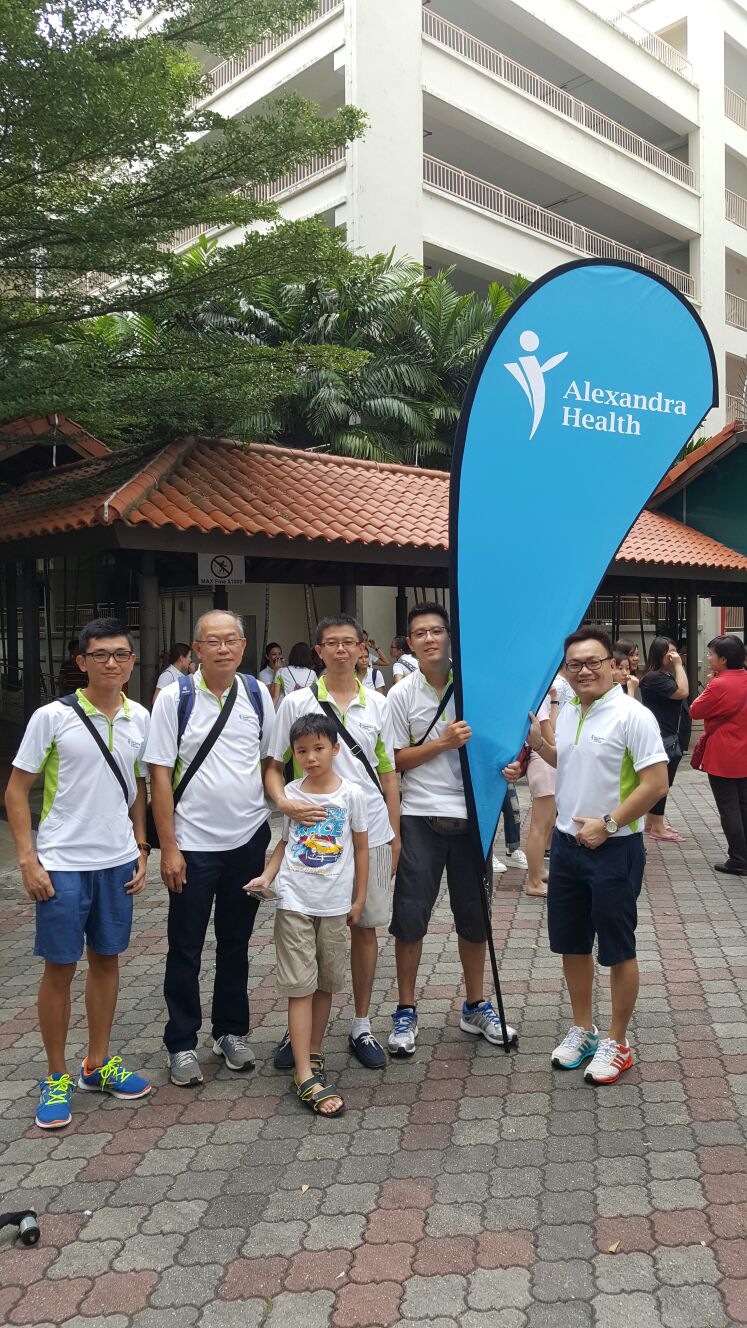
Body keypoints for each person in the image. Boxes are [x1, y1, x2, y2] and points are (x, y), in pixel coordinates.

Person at [6, 618, 152, 1130]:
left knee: (107, 960)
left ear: (133, 661)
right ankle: (55, 1075)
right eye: (101, 654)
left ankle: (97, 1063)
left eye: (121, 654)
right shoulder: (53, 717)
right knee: (60, 967)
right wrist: (28, 859)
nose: (112, 662)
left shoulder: (140, 717)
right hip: (62, 863)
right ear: (82, 661)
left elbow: (138, 787)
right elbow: (15, 791)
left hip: (116, 862)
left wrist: (141, 846)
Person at [506, 627, 668, 1086]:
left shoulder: (633, 716)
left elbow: (657, 782)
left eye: (593, 662)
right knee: (572, 944)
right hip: (567, 849)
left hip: (615, 848)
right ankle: (584, 1030)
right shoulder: (572, 710)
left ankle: (618, 1041)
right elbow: (571, 761)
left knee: (617, 948)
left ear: (613, 666)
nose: (584, 671)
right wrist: (540, 746)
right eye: (574, 664)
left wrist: (610, 823)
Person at [265, 613, 399, 1069]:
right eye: (331, 643)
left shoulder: (378, 703)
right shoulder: (296, 702)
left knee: (364, 927)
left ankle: (361, 1023)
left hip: (370, 832)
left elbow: (387, 771)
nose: (341, 650)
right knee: (308, 928)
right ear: (318, 651)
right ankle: (301, 1030)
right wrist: (284, 803)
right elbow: (273, 764)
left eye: (349, 642)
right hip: (312, 837)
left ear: (362, 648)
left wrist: (395, 833)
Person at [146, 610, 275, 1086]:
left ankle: (230, 1032)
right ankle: (181, 1042)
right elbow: (160, 775)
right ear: (197, 649)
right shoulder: (174, 697)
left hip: (247, 840)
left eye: (231, 640)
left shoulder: (258, 694)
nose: (223, 648)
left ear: (243, 645)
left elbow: (270, 762)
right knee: (185, 945)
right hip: (193, 846)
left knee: (236, 943)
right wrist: (168, 847)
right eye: (212, 641)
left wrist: (281, 811)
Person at [387, 602, 517, 1057]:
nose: (429, 639)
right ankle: (406, 1009)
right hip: (419, 814)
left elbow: (502, 745)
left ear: (449, 636)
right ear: (409, 643)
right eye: (419, 633)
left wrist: (512, 766)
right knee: (410, 917)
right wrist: (442, 743)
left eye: (436, 631)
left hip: (474, 815)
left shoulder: (478, 689)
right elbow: (393, 760)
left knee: (474, 916)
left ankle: (476, 1005)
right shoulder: (401, 695)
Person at [245, 714, 368, 1117]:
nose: (311, 757)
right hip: (294, 901)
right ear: (293, 755)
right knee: (300, 986)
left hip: (334, 905)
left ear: (335, 749)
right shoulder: (292, 793)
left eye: (318, 749)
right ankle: (303, 1074)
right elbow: (285, 843)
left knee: (325, 984)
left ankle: (313, 1053)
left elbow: (361, 848)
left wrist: (359, 899)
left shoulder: (352, 795)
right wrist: (267, 876)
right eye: (301, 751)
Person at [690, 634, 747, 876]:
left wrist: (711, 683)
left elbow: (695, 710)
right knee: (743, 804)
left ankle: (738, 859)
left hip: (724, 753)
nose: (708, 657)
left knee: (728, 807)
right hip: (744, 750)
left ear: (723, 659)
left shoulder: (719, 684)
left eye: (711, 654)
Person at [639, 637, 689, 843]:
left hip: (667, 736)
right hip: (663, 737)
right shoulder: (654, 678)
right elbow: (683, 692)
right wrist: (679, 665)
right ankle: (657, 828)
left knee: (662, 783)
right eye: (670, 652)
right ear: (659, 655)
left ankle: (652, 822)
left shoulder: (662, 676)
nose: (674, 656)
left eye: (676, 651)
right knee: (661, 784)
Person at [522, 697, 557, 897]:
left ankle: (539, 872)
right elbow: (549, 738)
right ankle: (534, 881)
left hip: (542, 762)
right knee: (540, 825)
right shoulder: (539, 697)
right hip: (543, 762)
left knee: (547, 823)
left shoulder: (541, 697)